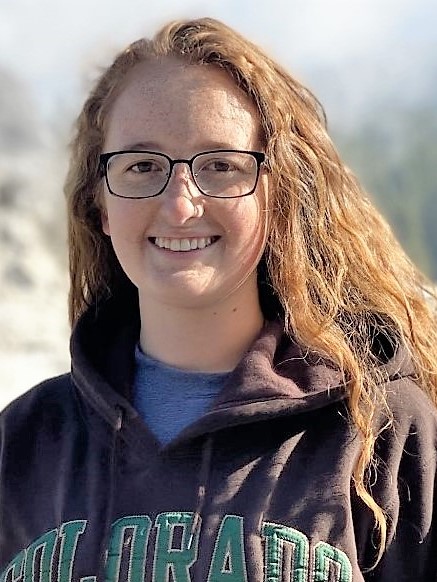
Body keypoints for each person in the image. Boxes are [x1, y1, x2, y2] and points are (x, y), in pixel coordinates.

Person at [1, 17, 436, 582]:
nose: (181, 205)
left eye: (221, 166)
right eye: (141, 166)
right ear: (101, 204)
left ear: (276, 197)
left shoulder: (384, 435)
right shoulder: (24, 442)